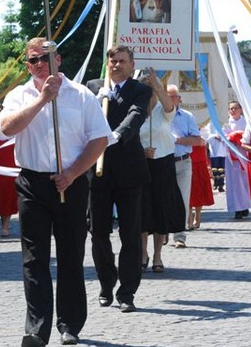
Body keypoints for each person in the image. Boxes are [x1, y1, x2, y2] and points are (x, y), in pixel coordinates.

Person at [0, 37, 111, 347]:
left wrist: (74, 172)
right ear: (27, 65)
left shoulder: (81, 96)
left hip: (71, 183)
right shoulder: (19, 95)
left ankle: (70, 324)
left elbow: (100, 139)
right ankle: (36, 330)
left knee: (71, 254)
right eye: (34, 60)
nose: (40, 65)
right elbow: (6, 128)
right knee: (34, 259)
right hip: (33, 182)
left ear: (58, 60)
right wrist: (41, 100)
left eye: (46, 58)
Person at [87, 45, 151, 313]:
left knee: (130, 233)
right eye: (112, 60)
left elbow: (136, 116)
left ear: (131, 64)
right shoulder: (92, 88)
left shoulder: (140, 89)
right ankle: (106, 282)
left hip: (128, 169)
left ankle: (127, 291)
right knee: (98, 231)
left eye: (122, 61)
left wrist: (113, 137)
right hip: (96, 171)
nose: (116, 65)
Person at [137, 69, 180, 273]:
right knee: (143, 210)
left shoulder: (163, 110)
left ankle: (157, 256)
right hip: (141, 164)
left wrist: (157, 85)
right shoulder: (134, 111)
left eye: (150, 89)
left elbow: (170, 106)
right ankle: (143, 253)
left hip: (163, 164)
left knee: (160, 210)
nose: (148, 92)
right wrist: (141, 152)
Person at [168, 84, 204, 248]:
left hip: (182, 160)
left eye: (172, 97)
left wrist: (177, 140)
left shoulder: (187, 116)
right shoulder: (158, 115)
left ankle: (179, 236)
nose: (169, 99)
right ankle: (163, 232)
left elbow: (197, 140)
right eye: (167, 96)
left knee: (182, 199)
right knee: (164, 198)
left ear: (179, 99)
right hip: (164, 161)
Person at [0, 107, 19, 238]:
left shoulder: (17, 135)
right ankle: (4, 225)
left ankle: (5, 226)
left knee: (7, 199)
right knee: (0, 199)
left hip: (11, 172)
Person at [223, 101, 251, 219]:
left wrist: (240, 137)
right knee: (234, 182)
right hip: (231, 154)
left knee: (244, 181)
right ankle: (237, 208)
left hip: (243, 153)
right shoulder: (225, 123)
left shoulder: (246, 122)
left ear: (240, 109)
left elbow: (249, 136)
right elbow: (221, 135)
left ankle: (245, 205)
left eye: (235, 108)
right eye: (230, 109)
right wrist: (229, 137)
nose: (232, 111)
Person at [189, 129, 214, 230]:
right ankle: (189, 217)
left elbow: (203, 141)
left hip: (200, 162)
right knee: (188, 191)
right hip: (188, 160)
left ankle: (198, 215)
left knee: (199, 190)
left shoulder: (203, 129)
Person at [205, 122, 226, 192]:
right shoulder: (210, 124)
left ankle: (221, 185)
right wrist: (214, 136)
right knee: (215, 168)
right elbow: (207, 136)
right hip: (214, 151)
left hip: (222, 150)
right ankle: (215, 183)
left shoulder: (223, 122)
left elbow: (226, 134)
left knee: (222, 169)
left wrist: (222, 138)